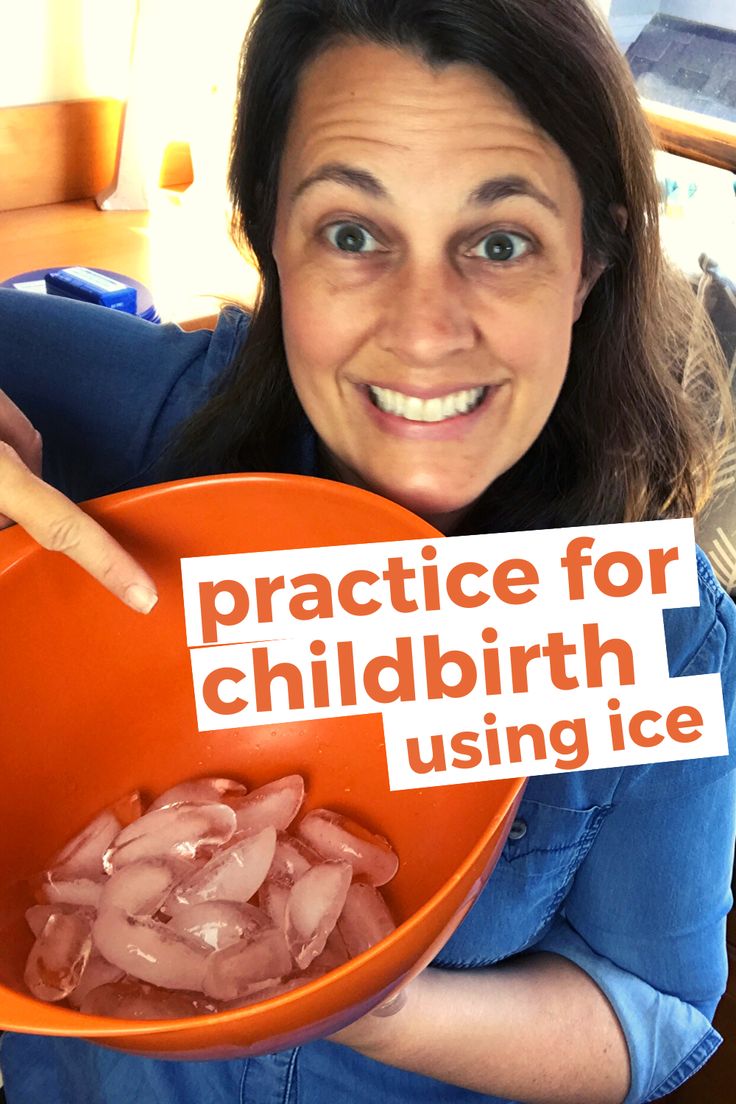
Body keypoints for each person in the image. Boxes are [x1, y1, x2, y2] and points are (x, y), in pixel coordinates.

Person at [0, 1, 734, 1101]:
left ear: (588, 262)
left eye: (499, 242)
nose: (425, 331)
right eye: (351, 233)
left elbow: (649, 1011)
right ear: (268, 237)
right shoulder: (144, 426)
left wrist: (379, 1000)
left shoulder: (658, 627)